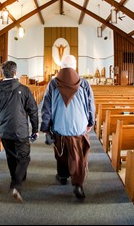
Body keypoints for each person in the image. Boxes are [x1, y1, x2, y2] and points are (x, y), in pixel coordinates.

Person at [40, 54, 95, 200]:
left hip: (59, 126)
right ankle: (78, 184)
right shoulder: (84, 83)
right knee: (78, 156)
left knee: (61, 153)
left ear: (61, 66)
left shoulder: (52, 84)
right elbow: (90, 105)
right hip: (79, 127)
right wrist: (90, 122)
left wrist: (46, 128)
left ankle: (63, 176)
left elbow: (46, 108)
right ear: (75, 66)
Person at [0, 60, 39, 203]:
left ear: (3, 74)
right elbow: (33, 111)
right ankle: (17, 184)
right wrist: (35, 129)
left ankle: (15, 180)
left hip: (5, 132)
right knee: (24, 158)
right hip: (20, 131)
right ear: (15, 73)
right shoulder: (24, 90)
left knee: (11, 157)